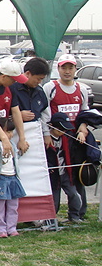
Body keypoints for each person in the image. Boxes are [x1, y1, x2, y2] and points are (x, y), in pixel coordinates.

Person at [43, 53, 90, 220]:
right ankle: (50, 213)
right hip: (56, 138)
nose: (67, 71)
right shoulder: (50, 87)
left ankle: (77, 213)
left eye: (71, 68)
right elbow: (44, 113)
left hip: (75, 139)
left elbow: (84, 113)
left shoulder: (81, 89)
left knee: (76, 176)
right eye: (64, 68)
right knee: (56, 177)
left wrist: (83, 128)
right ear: (58, 69)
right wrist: (47, 134)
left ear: (75, 69)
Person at [0, 116, 26, 238]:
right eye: (8, 131)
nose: (10, 134)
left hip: (13, 177)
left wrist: (22, 151)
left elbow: (15, 158)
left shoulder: (11, 144)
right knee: (0, 206)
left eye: (12, 132)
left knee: (13, 206)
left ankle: (12, 228)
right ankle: (0, 229)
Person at [46, 112, 84, 223]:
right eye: (60, 129)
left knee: (74, 195)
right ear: (52, 126)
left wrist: (81, 133)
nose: (63, 132)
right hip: (53, 175)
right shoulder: (45, 139)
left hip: (65, 173)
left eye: (65, 129)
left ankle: (74, 216)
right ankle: (51, 219)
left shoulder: (68, 138)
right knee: (54, 200)